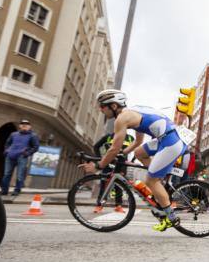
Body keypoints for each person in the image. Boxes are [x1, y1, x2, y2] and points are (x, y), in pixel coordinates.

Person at [79, 90, 188, 232]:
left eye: (102, 106)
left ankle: (171, 217)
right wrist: (123, 154)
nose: (100, 110)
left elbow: (113, 148)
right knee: (139, 153)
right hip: (168, 138)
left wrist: (98, 166)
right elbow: (138, 141)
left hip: (170, 142)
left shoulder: (121, 119)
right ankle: (159, 181)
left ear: (113, 106)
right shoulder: (133, 113)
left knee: (151, 181)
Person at [91, 129, 135, 213]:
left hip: (121, 165)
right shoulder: (108, 137)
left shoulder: (130, 138)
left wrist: (132, 161)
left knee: (119, 185)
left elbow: (135, 150)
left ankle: (118, 206)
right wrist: (100, 158)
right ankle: (99, 205)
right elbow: (96, 146)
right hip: (108, 163)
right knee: (104, 185)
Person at [0, 119, 40, 197]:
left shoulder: (33, 135)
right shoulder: (13, 134)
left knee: (20, 175)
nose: (24, 125)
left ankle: (17, 190)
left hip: (22, 156)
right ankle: (4, 190)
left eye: (27, 124)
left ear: (30, 126)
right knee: (6, 174)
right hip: (10, 156)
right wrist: (6, 151)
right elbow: (7, 143)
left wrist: (27, 153)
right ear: (19, 126)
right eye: (22, 124)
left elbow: (36, 147)